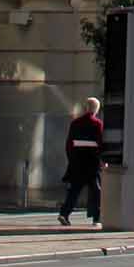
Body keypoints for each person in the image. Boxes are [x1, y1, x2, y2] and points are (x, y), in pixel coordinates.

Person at [59, 97, 104, 226]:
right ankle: (96, 218)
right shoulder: (97, 124)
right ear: (96, 109)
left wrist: (71, 159)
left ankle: (64, 214)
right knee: (96, 191)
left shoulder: (75, 123)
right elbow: (100, 143)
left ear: (86, 108)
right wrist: (102, 160)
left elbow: (69, 144)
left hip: (77, 162)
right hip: (91, 163)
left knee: (74, 190)